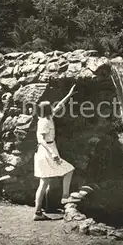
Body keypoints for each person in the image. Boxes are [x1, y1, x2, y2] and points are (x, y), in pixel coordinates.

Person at [33, 84, 79, 221]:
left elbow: (59, 106)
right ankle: (64, 197)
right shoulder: (43, 123)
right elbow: (40, 139)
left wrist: (69, 95)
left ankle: (41, 211)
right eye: (50, 107)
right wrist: (52, 154)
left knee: (45, 182)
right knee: (68, 170)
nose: (54, 108)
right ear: (47, 110)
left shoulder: (48, 118)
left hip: (48, 151)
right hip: (46, 152)